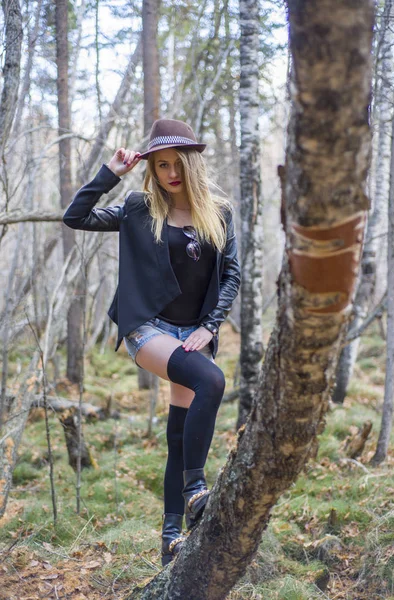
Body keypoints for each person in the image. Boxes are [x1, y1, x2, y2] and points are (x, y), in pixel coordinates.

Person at [63, 118, 241, 566]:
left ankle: (169, 537)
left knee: (179, 436)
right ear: (153, 169)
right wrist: (110, 173)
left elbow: (231, 275)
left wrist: (212, 325)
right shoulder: (139, 208)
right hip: (148, 328)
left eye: (177, 163)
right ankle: (197, 488)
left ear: (191, 164)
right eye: (161, 165)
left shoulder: (219, 213)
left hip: (194, 332)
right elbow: (75, 217)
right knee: (212, 383)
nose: (170, 173)